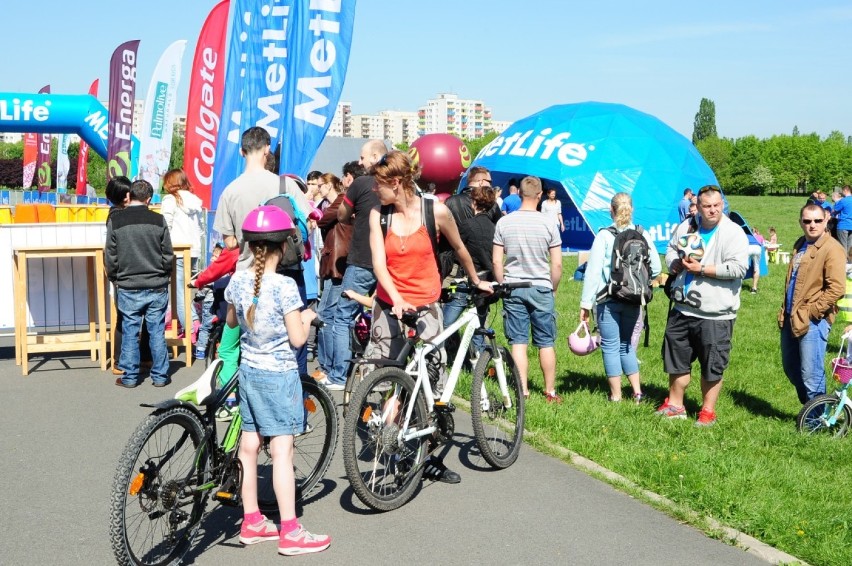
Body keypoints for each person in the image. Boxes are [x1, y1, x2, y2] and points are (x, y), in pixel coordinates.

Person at [369, 150, 492, 484]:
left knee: (429, 386)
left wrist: (477, 279)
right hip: (389, 306)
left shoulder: (434, 211)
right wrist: (394, 299)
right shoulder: (379, 216)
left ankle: (426, 456)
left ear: (397, 183)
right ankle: (391, 445)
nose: (374, 190)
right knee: (386, 381)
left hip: (427, 307)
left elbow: (461, 249)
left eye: (380, 184)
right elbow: (379, 264)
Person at [225, 205, 330, 556]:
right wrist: (309, 314)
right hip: (279, 376)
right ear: (283, 247)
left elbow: (231, 323)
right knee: (282, 451)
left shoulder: (238, 281)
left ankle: (252, 520)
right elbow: (298, 339)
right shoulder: (285, 286)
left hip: (249, 373)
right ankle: (290, 530)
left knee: (249, 445)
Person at [657, 185, 748, 427]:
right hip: (682, 308)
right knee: (676, 360)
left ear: (722, 205)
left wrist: (704, 270)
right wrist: (674, 263)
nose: (712, 210)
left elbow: (739, 268)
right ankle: (675, 405)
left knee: (712, 364)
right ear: (697, 206)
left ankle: (707, 412)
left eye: (717, 206)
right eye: (707, 206)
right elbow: (670, 248)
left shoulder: (733, 232)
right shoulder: (687, 225)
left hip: (715, 314)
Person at [580, 193, 661, 403]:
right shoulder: (642, 234)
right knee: (626, 345)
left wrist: (585, 304)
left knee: (610, 345)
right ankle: (637, 392)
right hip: (634, 300)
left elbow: (593, 272)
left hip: (608, 299)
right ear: (631, 209)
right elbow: (657, 268)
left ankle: (616, 395)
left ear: (611, 210)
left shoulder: (605, 236)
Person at [493, 176, 563, 403]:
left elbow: (496, 261)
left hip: (513, 287)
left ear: (519, 194)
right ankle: (550, 391)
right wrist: (553, 288)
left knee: (518, 342)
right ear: (540, 195)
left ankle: (522, 390)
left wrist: (502, 283)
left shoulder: (504, 222)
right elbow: (558, 264)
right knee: (546, 342)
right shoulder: (548, 223)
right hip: (541, 286)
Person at [326, 140, 386, 389]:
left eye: (363, 158)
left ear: (375, 156)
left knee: (343, 316)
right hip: (390, 260)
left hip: (362, 259)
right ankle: (384, 374)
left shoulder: (362, 183)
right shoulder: (398, 185)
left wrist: (353, 214)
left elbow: (341, 214)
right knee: (384, 315)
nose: (360, 162)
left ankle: (339, 376)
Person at [106, 179, 174, 388]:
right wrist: (165, 275)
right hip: (156, 285)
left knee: (130, 331)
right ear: (149, 199)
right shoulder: (159, 220)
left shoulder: (115, 221)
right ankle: (160, 376)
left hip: (128, 285)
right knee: (156, 331)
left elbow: (110, 255)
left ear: (130, 196)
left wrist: (115, 278)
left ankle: (129, 377)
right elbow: (167, 255)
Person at [779, 204, 846, 405]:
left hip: (813, 321)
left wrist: (813, 312)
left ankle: (816, 421)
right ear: (800, 222)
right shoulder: (800, 243)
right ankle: (810, 409)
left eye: (817, 220)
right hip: (791, 316)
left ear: (826, 220)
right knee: (791, 367)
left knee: (812, 373)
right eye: (807, 221)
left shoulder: (833, 248)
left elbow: (836, 288)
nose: (812, 225)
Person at [443, 183, 498, 357]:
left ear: (473, 203)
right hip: (488, 280)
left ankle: (444, 356)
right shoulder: (494, 228)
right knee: (480, 326)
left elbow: (456, 250)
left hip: (469, 279)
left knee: (445, 324)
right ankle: (478, 361)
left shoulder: (467, 225)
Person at [161, 168, 204, 336]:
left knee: (179, 293)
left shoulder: (171, 199)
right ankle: (193, 322)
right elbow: (201, 230)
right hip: (193, 251)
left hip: (177, 250)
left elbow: (165, 226)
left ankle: (191, 329)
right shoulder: (195, 201)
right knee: (186, 290)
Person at [832, 185, 852, 255]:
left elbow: (834, 210)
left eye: (842, 191)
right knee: (850, 246)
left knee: (842, 246)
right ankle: (850, 262)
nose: (842, 193)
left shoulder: (843, 200)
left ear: (845, 190)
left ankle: (843, 262)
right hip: (851, 225)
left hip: (843, 224)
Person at [746, 230, 763, 294]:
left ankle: (737, 286)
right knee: (756, 268)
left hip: (748, 246)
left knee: (742, 266)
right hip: (757, 247)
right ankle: (754, 288)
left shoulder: (741, 233)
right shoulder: (752, 234)